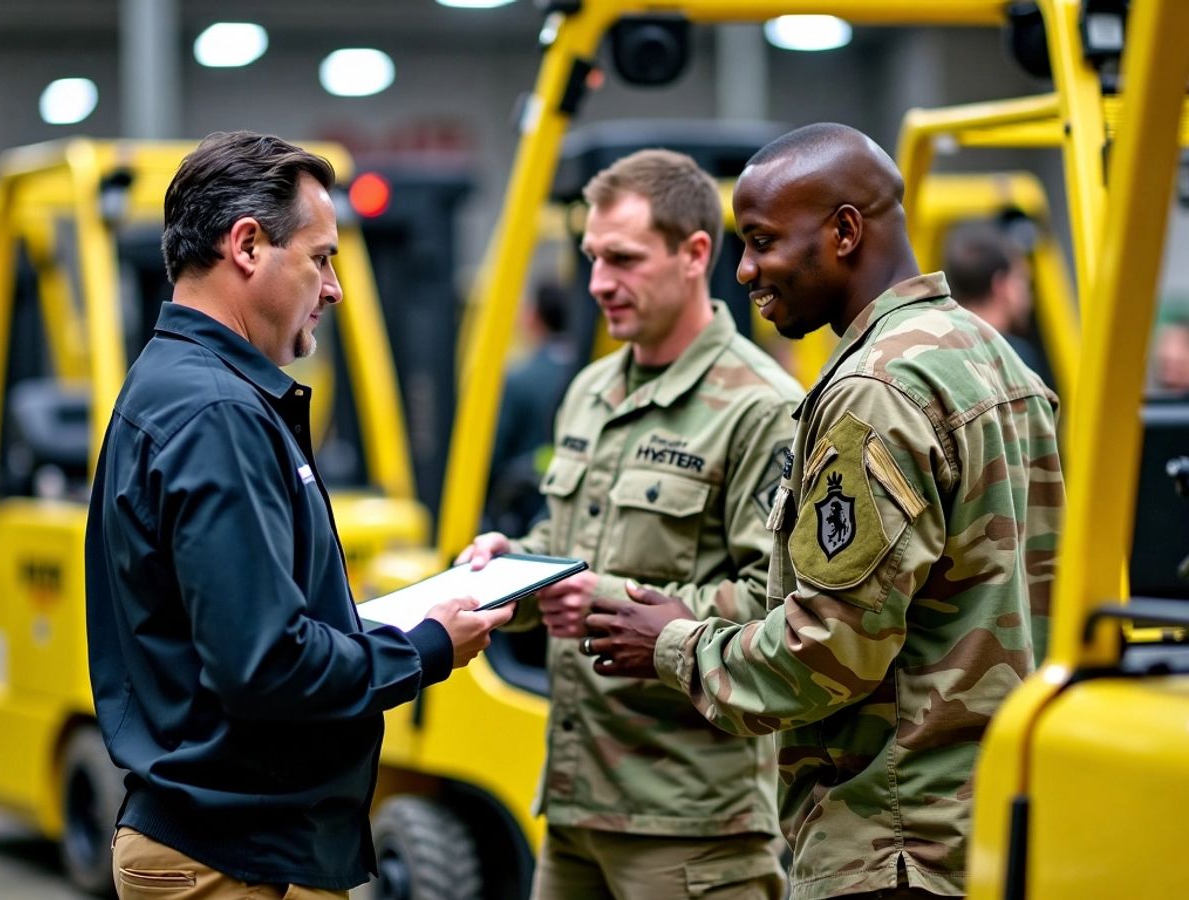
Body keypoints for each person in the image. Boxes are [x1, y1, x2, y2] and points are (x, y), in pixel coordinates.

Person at [583, 124, 1065, 900]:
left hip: (894, 845)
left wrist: (673, 644)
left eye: (763, 242)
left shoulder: (873, 392)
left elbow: (829, 653)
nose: (745, 272)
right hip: (992, 831)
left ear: (844, 231)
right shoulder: (992, 357)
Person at [84, 131, 513, 899]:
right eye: (321, 257)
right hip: (235, 855)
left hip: (234, 841)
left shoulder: (188, 387)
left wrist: (428, 605)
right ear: (247, 246)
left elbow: (257, 626)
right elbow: (267, 664)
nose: (335, 288)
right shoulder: (216, 411)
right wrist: (425, 646)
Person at [460, 148, 804, 899]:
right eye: (590, 257)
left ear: (695, 255)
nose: (597, 284)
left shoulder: (761, 408)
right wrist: (510, 570)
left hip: (689, 824)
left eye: (622, 258)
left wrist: (604, 597)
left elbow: (782, 612)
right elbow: (568, 558)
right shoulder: (591, 391)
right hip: (577, 808)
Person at [485, 280, 577, 535]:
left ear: (534, 316)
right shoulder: (587, 370)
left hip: (521, 512)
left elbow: (493, 454)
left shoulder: (520, 379)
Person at [943, 219, 1053, 387]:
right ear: (1000, 285)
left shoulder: (938, 349)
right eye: (1022, 280)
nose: (1028, 294)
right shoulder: (1016, 358)